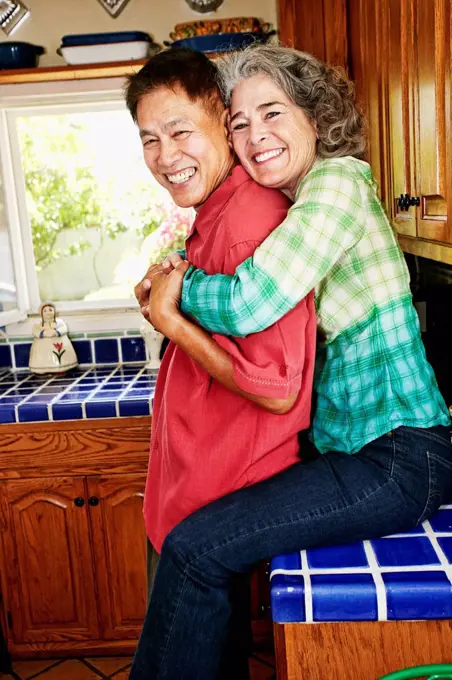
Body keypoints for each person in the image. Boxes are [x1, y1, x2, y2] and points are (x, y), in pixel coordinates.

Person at [132, 45, 452, 680]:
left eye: (272, 113)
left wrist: (171, 288)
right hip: (363, 455)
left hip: (402, 458)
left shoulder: (338, 182)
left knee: (197, 550)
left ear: (315, 115)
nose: (256, 136)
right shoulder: (296, 203)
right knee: (205, 546)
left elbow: (255, 299)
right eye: (241, 123)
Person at [125, 48, 316, 679]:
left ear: (223, 121)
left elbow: (276, 387)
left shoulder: (246, 220)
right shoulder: (215, 219)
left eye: (181, 131)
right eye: (150, 139)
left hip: (212, 501)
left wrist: (171, 319)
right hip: (194, 493)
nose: (165, 155)